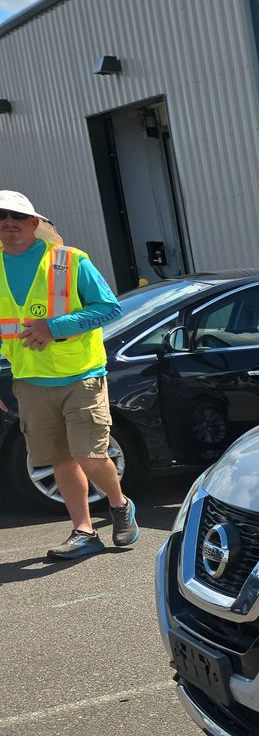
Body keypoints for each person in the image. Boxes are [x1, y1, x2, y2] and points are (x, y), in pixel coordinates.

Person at [0, 190, 137, 559]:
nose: (7, 223)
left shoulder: (69, 260)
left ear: (34, 223)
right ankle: (83, 531)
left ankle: (120, 505)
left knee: (90, 454)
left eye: (16, 216)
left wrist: (54, 326)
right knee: (60, 459)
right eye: (0, 217)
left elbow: (110, 308)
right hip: (30, 381)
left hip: (81, 377)